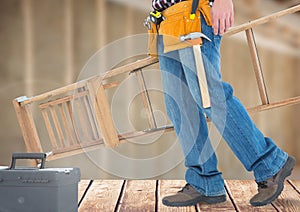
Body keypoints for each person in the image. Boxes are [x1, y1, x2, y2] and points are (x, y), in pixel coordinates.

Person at [151, 0, 296, 207]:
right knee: (179, 106)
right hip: (166, 21)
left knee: (209, 96)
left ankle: (270, 165)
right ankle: (204, 182)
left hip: (193, 14)